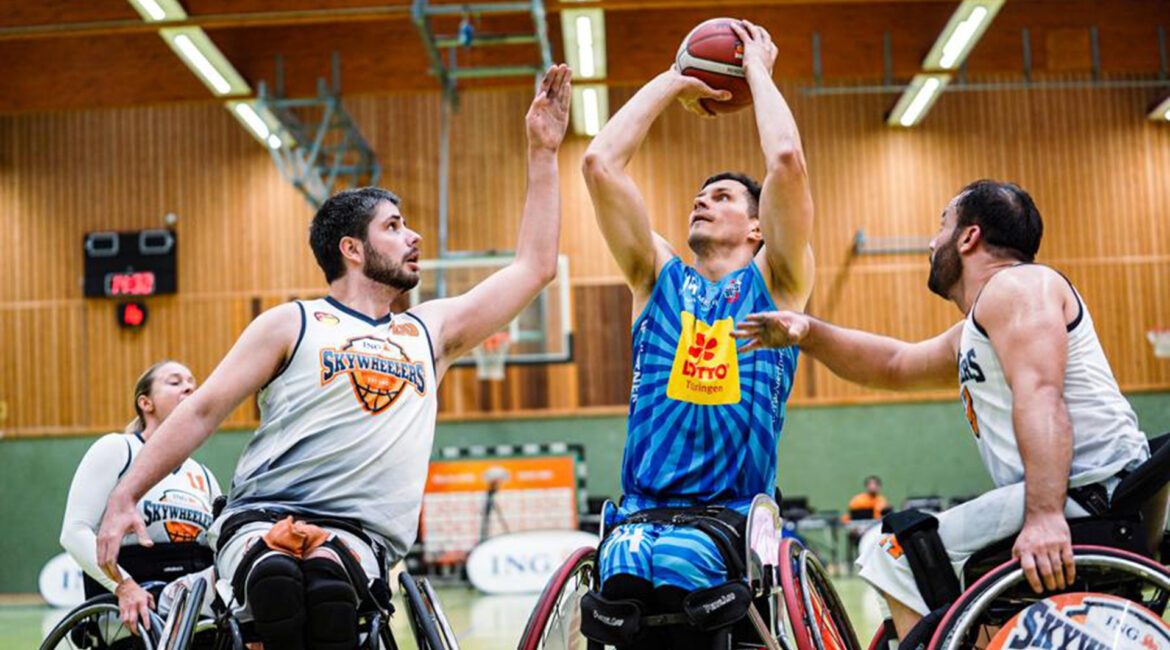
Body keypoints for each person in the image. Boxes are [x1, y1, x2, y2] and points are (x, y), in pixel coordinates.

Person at [95, 64, 572, 649]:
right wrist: (124, 495)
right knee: (274, 582)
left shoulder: (430, 329)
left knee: (327, 590)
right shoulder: (290, 323)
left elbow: (535, 268)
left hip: (357, 534)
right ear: (352, 248)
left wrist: (544, 152)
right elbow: (200, 412)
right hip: (264, 515)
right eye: (394, 226)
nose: (414, 236)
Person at [731, 179, 1150, 641]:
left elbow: (1043, 394)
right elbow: (895, 364)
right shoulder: (986, 318)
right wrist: (807, 332)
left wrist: (1045, 514)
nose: (932, 242)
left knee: (890, 549)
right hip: (1082, 490)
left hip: (1087, 492)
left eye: (942, 226)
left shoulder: (1019, 287)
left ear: (968, 238)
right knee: (916, 554)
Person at [580, 20, 814, 648]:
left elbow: (786, 160)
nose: (701, 202)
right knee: (625, 576)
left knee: (685, 572)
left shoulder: (779, 280)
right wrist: (678, 77)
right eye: (698, 196)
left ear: (758, 227)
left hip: (730, 514)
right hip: (639, 511)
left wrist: (756, 71)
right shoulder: (656, 278)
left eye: (722, 196)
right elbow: (600, 163)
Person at [60, 360, 221, 635]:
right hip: (134, 606)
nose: (189, 388)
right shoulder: (118, 449)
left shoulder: (203, 475)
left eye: (192, 384)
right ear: (146, 403)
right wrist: (124, 585)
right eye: (175, 382)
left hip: (193, 606)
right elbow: (74, 533)